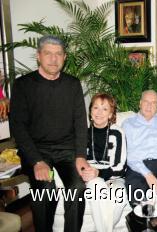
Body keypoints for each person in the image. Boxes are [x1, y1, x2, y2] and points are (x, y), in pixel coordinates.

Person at [9, 35, 89, 232]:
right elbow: (18, 126)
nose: (53, 59)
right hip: (37, 151)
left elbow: (80, 122)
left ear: (65, 57)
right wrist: (37, 161)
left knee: (77, 187)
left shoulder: (72, 84)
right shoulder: (23, 85)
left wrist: (80, 156)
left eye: (58, 54)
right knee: (46, 189)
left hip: (66, 150)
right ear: (38, 56)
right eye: (48, 53)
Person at [82, 93, 129, 232]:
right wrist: (91, 173)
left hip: (115, 177)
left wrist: (100, 172)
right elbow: (79, 161)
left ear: (110, 114)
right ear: (90, 111)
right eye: (96, 108)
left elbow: (121, 167)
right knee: (97, 186)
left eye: (105, 109)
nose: (99, 112)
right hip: (92, 178)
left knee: (120, 197)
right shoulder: (83, 134)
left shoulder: (117, 133)